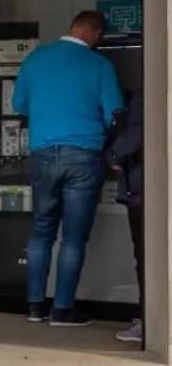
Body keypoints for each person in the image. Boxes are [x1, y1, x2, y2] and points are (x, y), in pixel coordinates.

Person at [12, 10, 124, 327]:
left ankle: (35, 307)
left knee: (41, 233)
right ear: (95, 34)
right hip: (83, 156)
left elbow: (19, 104)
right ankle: (62, 310)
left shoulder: (36, 59)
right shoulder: (99, 65)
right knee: (73, 238)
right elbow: (116, 113)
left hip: (43, 155)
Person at [109, 91, 143, 343]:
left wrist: (113, 154)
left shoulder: (148, 94)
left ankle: (148, 320)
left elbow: (136, 134)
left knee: (146, 256)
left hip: (145, 190)